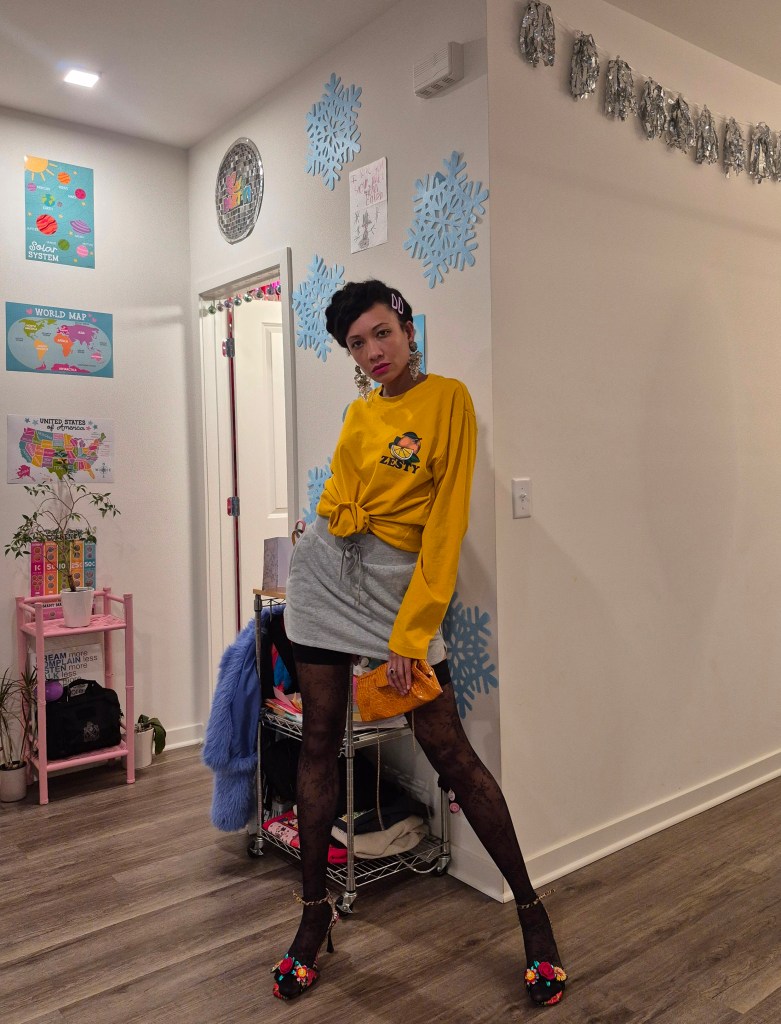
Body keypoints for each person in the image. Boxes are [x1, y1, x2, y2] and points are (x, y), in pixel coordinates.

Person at [272, 279, 567, 1007]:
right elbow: (341, 495)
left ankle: (531, 911)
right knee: (318, 743)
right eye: (356, 344)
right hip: (325, 578)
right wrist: (322, 521)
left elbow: (446, 522)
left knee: (450, 753)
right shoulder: (358, 412)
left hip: (397, 589)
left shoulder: (449, 402)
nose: (373, 352)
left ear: (406, 328)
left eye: (381, 333)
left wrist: (410, 633)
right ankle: (313, 914)